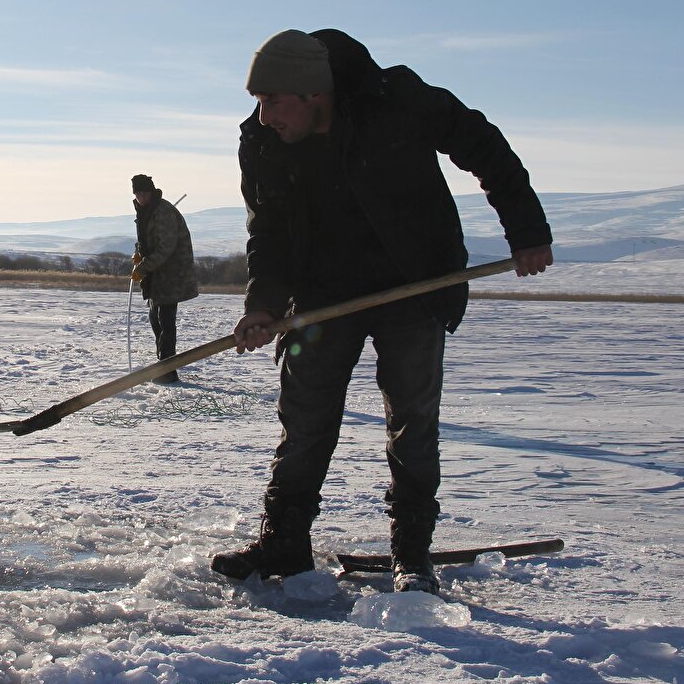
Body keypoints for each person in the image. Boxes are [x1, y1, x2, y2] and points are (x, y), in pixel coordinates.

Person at [210, 29, 554, 594]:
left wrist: (527, 231)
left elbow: (483, 145)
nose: (262, 113)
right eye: (258, 100)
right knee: (305, 422)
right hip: (322, 296)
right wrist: (264, 305)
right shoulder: (263, 142)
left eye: (272, 99)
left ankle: (411, 554)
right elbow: (267, 230)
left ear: (312, 93)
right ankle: (285, 543)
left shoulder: (397, 100)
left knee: (412, 422)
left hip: (416, 285)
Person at [131, 174, 199, 384]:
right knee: (155, 318)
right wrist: (139, 252)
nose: (141, 197)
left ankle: (167, 369)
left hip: (172, 274)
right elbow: (148, 239)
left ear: (151, 192)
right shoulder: (145, 211)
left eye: (144, 192)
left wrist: (142, 267)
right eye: (137, 193)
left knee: (165, 321)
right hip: (157, 275)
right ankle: (164, 364)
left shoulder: (164, 212)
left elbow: (166, 247)